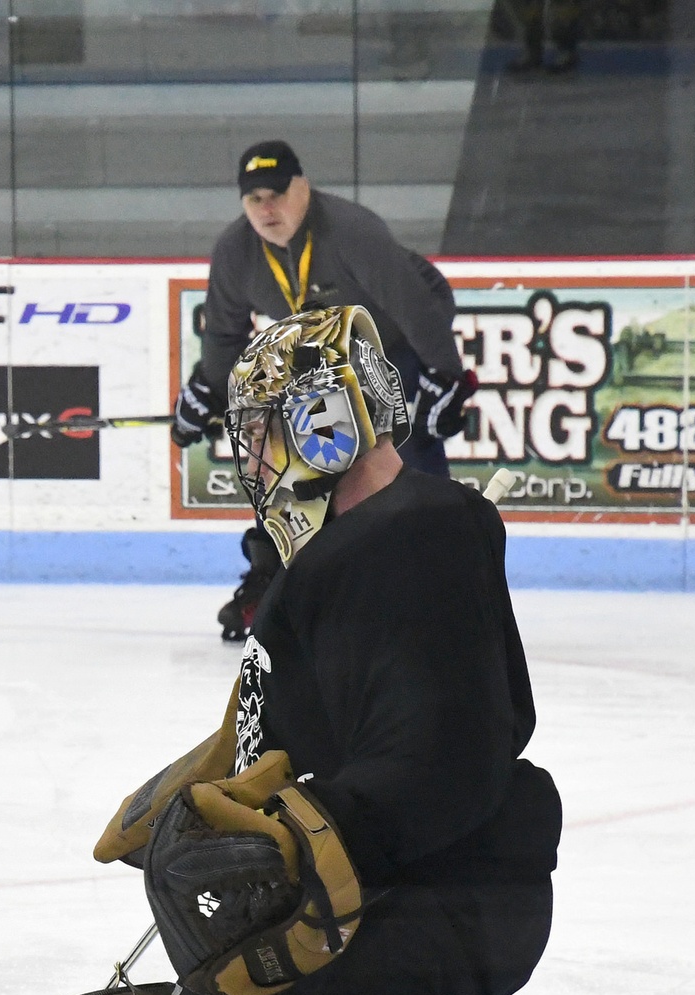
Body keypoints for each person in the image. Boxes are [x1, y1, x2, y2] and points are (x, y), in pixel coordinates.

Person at [97, 304, 695, 995]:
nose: (257, 461)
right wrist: (206, 794)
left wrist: (313, 835)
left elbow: (448, 754)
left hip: (439, 901)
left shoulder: (413, 535)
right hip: (424, 891)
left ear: (326, 424)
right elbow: (332, 729)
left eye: (269, 432)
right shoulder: (368, 551)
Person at [171, 139, 476, 641]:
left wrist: (445, 376)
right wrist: (208, 388)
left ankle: (444, 588)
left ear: (304, 188)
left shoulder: (352, 231)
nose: (267, 209)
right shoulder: (235, 252)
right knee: (285, 455)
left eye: (277, 194)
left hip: (398, 333)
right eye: (254, 200)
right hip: (323, 350)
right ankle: (276, 578)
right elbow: (224, 334)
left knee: (406, 446)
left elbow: (416, 307)